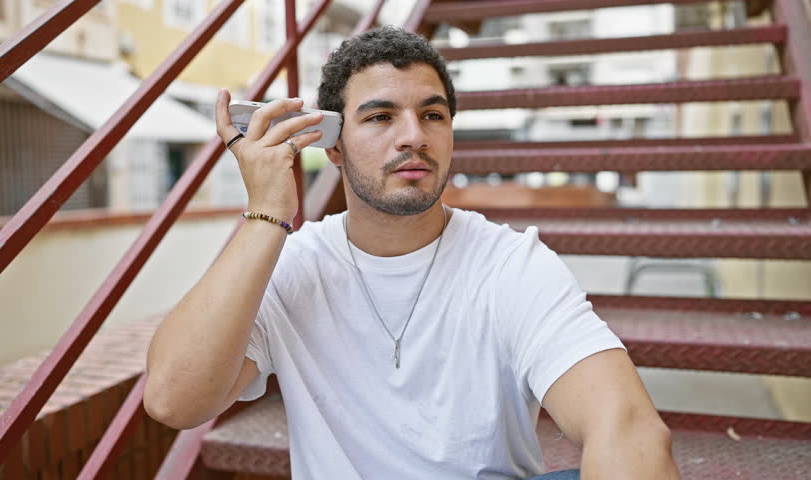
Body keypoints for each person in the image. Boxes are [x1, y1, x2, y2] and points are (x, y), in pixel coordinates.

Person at [144, 26, 680, 480]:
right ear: (331, 144)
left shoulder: (512, 264)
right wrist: (267, 211)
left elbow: (626, 426)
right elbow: (174, 401)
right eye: (380, 117)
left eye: (433, 115)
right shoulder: (294, 266)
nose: (413, 137)